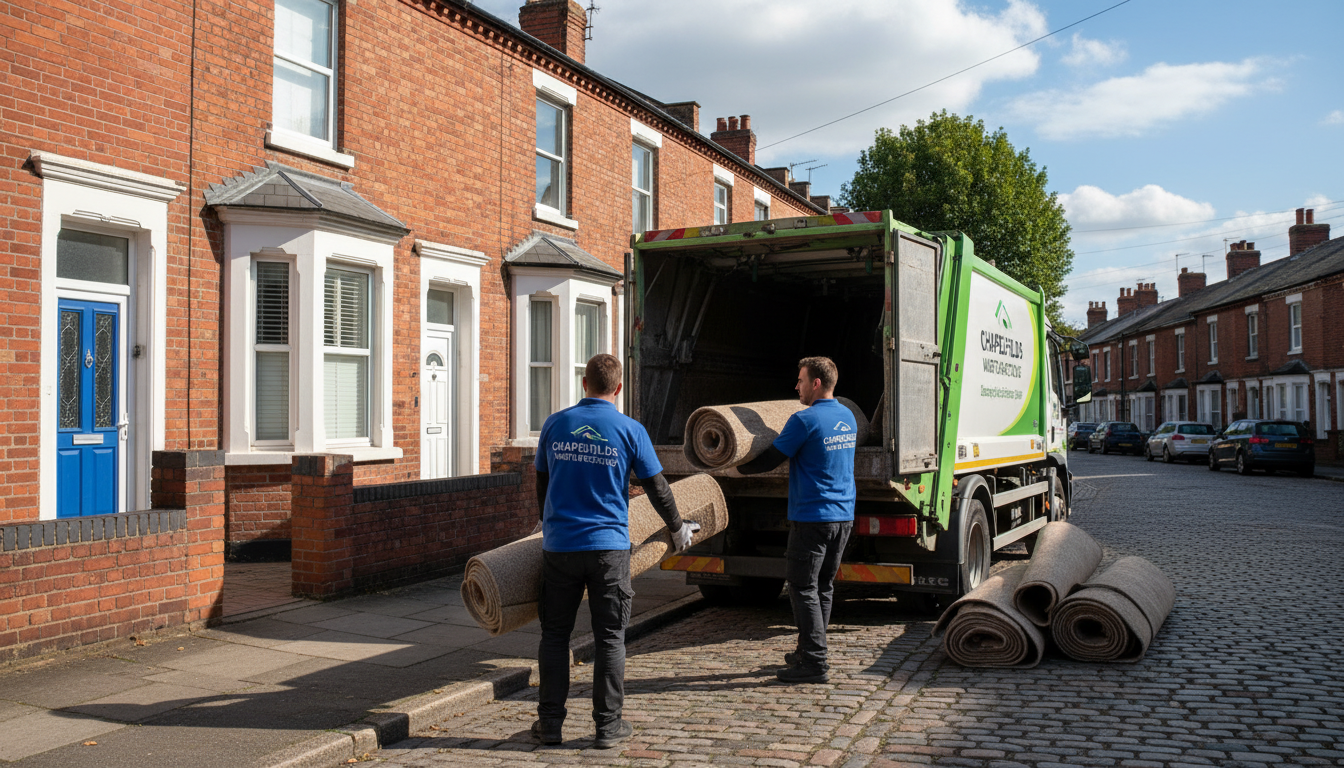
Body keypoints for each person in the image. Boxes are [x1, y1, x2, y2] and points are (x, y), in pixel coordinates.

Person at [532, 353, 693, 748]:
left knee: (555, 636)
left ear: (583, 384)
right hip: (609, 550)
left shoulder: (556, 423)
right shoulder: (630, 430)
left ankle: (550, 725)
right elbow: (657, 487)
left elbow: (541, 483)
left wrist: (547, 524)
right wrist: (677, 526)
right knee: (609, 638)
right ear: (618, 389)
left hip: (561, 548)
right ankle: (608, 727)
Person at [737, 356, 857, 684]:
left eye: (801, 380)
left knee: (802, 586)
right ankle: (809, 649)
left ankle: (815, 662)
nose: (797, 386)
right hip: (843, 515)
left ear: (816, 383)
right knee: (822, 586)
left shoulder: (804, 420)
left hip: (812, 517)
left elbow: (772, 458)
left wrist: (734, 465)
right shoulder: (848, 417)